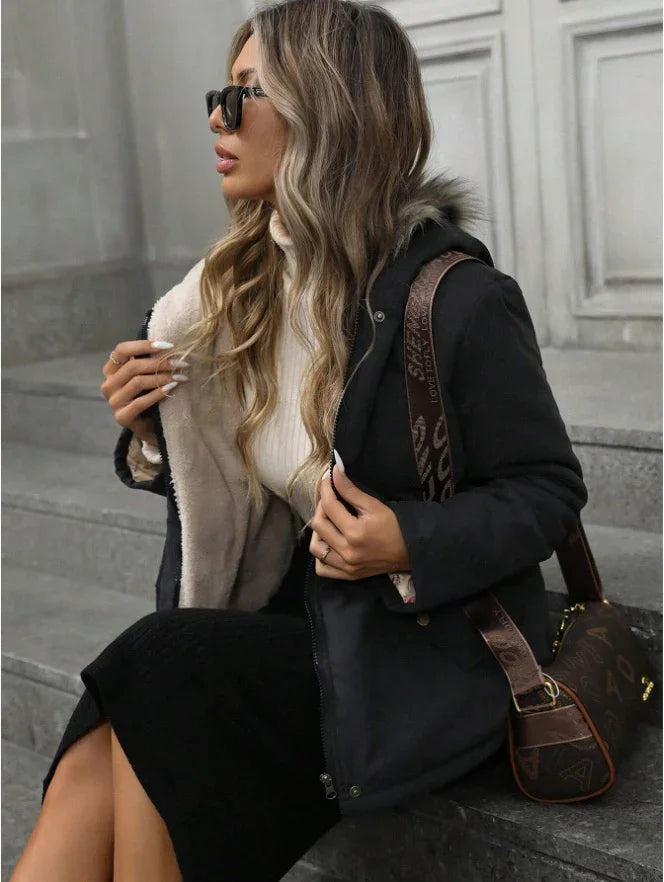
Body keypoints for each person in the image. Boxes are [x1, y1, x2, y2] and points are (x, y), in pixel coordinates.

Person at [10, 1, 588, 880]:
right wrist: (153, 432)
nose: (215, 116)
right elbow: (239, 500)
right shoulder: (232, 295)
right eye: (220, 93)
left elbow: (547, 490)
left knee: (156, 678)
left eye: (244, 95)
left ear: (327, 111)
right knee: (117, 721)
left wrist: (408, 539)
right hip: (294, 623)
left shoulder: (456, 298)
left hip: (410, 643)